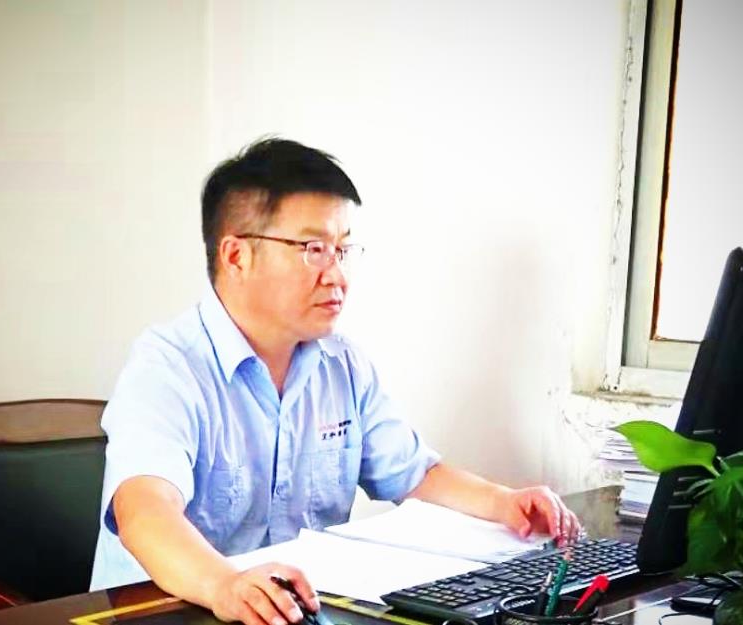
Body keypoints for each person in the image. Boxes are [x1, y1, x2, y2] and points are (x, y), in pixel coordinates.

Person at [90, 138, 580, 625]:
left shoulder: (342, 364)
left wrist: (503, 502)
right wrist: (224, 585)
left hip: (292, 612)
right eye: (314, 250)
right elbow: (145, 512)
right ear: (237, 256)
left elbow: (413, 473)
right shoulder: (167, 368)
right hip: (171, 612)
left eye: (343, 250)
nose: (337, 276)